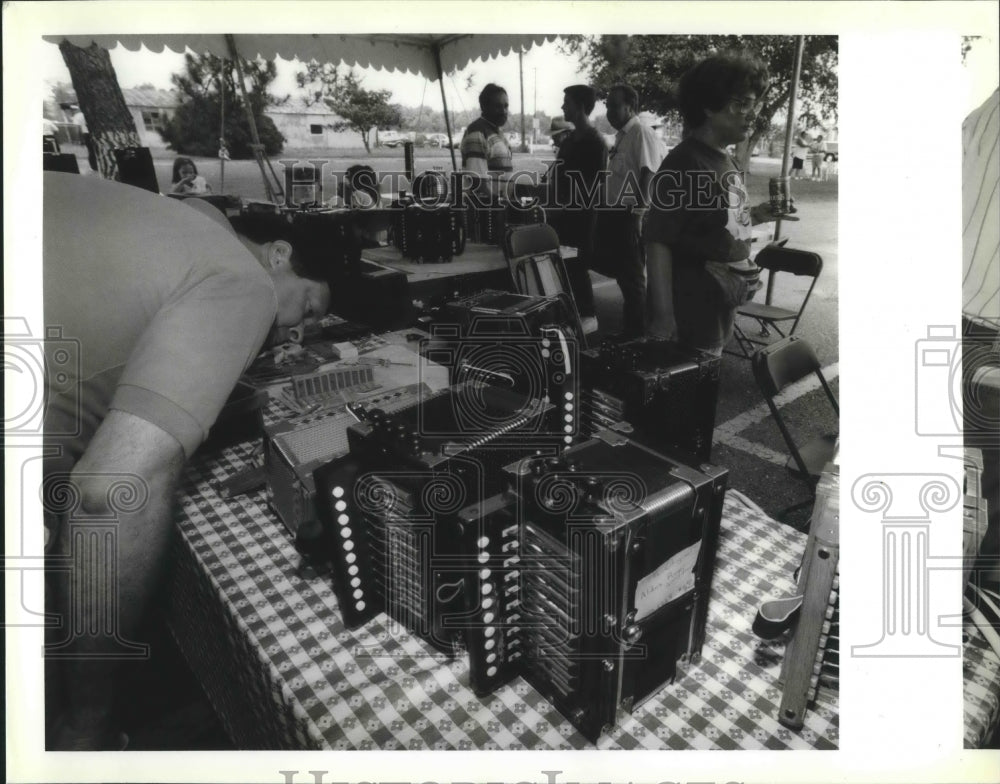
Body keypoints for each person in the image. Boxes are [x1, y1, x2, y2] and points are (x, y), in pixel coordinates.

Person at [42, 170, 331, 750]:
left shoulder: (186, 221)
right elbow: (111, 492)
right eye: (311, 306)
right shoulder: (243, 281)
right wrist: (87, 721)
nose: (304, 332)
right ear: (278, 255)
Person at [643, 53, 793, 356]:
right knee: (689, 400)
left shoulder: (726, 159)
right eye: (742, 104)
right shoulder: (684, 162)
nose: (752, 115)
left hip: (719, 312)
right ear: (709, 106)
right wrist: (663, 318)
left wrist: (759, 215)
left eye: (755, 105)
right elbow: (657, 240)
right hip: (690, 319)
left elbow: (716, 221)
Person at [593, 84, 666, 337]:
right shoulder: (623, 136)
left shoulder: (641, 133)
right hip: (614, 215)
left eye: (614, 105)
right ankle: (631, 330)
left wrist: (638, 214)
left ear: (630, 107)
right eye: (608, 106)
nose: (609, 111)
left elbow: (649, 173)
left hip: (629, 216)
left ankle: (637, 335)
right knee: (624, 276)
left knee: (633, 277)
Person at [542, 86, 608, 335]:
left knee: (578, 271)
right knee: (563, 271)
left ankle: (587, 322)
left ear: (580, 107)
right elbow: (557, 178)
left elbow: (592, 188)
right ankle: (567, 321)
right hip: (560, 219)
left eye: (566, 102)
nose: (562, 107)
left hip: (580, 221)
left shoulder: (595, 142)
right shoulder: (570, 140)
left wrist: (562, 208)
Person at [460, 83, 513, 178]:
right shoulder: (477, 133)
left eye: (506, 106)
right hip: (484, 193)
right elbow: (477, 179)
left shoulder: (497, 132)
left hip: (501, 193)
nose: (504, 111)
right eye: (498, 106)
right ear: (484, 107)